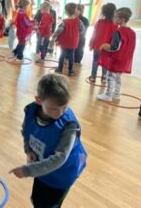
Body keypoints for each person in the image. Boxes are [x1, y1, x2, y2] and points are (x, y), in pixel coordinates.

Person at [10, 73, 87, 208]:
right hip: (42, 168)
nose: (60, 113)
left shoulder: (69, 126)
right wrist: (29, 150)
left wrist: (27, 170)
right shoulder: (31, 111)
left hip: (62, 175)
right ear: (39, 100)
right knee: (37, 200)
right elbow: (27, 132)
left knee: (50, 205)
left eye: (65, 107)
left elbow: (60, 158)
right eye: (54, 109)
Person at [97, 7, 136, 102]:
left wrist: (103, 46)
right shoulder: (132, 32)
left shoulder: (118, 32)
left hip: (116, 59)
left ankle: (108, 95)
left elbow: (114, 47)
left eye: (115, 17)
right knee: (118, 77)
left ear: (121, 20)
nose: (113, 19)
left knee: (110, 76)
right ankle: (117, 94)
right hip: (125, 60)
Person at [51, 3, 84, 76]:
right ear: (75, 10)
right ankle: (70, 71)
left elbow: (59, 30)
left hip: (64, 42)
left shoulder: (65, 21)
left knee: (62, 55)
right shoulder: (79, 21)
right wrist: (77, 34)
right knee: (71, 56)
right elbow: (82, 29)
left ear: (66, 12)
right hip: (73, 42)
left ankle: (59, 69)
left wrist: (53, 36)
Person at [88, 3, 117, 83]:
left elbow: (94, 34)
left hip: (98, 46)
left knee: (95, 60)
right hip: (108, 47)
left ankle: (93, 76)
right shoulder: (115, 25)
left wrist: (91, 44)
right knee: (105, 61)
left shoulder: (99, 22)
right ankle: (104, 77)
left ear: (103, 12)